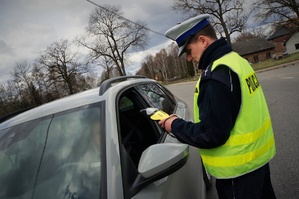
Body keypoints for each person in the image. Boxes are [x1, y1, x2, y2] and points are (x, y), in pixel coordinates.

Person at [159, 14, 277, 199]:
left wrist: (173, 125)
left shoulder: (216, 75)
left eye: (188, 51)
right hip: (258, 163)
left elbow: (210, 134)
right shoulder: (237, 61)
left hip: (237, 175)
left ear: (203, 41)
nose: (189, 58)